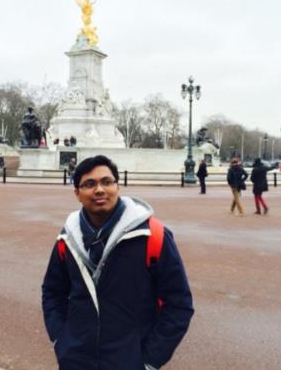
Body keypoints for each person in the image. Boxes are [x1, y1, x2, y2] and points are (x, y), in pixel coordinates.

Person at [42, 155, 194, 370]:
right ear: (77, 193)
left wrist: (150, 360)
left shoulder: (154, 235)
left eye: (107, 182)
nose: (99, 190)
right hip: (76, 360)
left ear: (117, 186)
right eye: (89, 184)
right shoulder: (67, 238)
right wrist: (61, 339)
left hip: (129, 362)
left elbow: (179, 304)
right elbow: (52, 292)